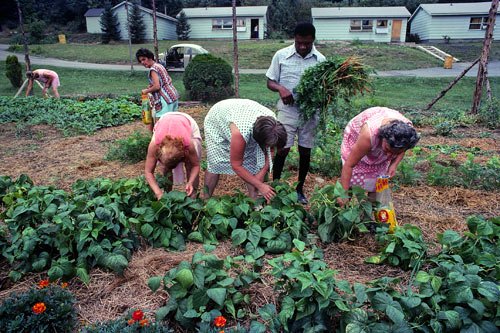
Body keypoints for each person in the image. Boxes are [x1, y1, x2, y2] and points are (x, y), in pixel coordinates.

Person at [266, 22, 326, 204]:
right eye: (299, 42)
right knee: (282, 149)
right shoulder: (281, 55)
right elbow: (270, 81)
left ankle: (299, 189)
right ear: (295, 38)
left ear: (313, 40)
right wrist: (281, 89)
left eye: (307, 43)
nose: (302, 46)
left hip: (310, 113)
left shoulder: (321, 61)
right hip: (287, 111)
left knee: (305, 151)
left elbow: (325, 89)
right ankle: (275, 186)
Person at [203, 99, 287, 202]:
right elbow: (236, 165)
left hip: (242, 113)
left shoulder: (272, 124)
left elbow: (270, 151)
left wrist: (263, 170)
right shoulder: (240, 132)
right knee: (215, 163)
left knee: (253, 163)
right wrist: (260, 185)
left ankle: (254, 204)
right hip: (218, 118)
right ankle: (205, 201)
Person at [340, 106, 420, 197]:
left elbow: (403, 149)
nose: (389, 155)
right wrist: (343, 194)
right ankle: (346, 202)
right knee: (352, 177)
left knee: (379, 182)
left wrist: (394, 164)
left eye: (395, 153)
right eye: (387, 149)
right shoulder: (368, 135)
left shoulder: (407, 135)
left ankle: (374, 206)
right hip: (358, 136)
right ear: (384, 138)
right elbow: (349, 165)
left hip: (382, 137)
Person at [145, 112, 202, 200]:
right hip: (165, 120)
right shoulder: (154, 144)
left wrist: (190, 182)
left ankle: (193, 196)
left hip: (187, 122)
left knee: (190, 166)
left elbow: (196, 165)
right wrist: (158, 193)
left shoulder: (188, 144)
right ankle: (168, 195)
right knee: (165, 169)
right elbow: (148, 172)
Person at [136, 48, 179, 131]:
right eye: (140, 61)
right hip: (172, 96)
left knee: (161, 126)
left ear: (150, 57)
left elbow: (157, 86)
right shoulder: (159, 66)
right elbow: (162, 81)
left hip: (165, 99)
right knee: (172, 123)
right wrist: (151, 87)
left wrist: (146, 91)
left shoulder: (153, 69)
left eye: (144, 59)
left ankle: (159, 142)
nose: (142, 63)